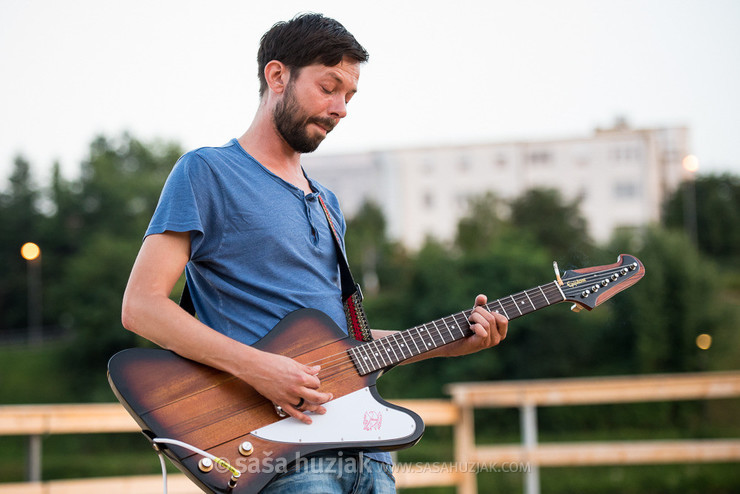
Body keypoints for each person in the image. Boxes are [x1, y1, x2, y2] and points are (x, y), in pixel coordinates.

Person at [121, 13, 508, 493]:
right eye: (329, 88)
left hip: (369, 455)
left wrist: (454, 340)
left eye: (349, 96)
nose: (341, 107)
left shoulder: (328, 204)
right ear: (277, 76)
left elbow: (348, 343)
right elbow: (141, 307)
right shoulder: (206, 172)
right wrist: (259, 367)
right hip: (281, 454)